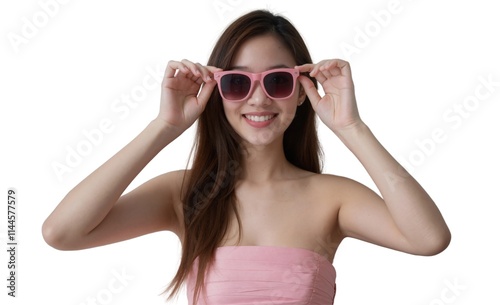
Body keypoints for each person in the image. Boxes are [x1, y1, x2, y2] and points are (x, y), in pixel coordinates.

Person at [42, 9, 451, 305]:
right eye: (237, 82)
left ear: (302, 91)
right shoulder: (186, 194)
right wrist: (164, 127)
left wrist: (350, 127)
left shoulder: (333, 197)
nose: (259, 98)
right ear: (217, 92)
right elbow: (62, 233)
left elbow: (429, 239)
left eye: (278, 80)